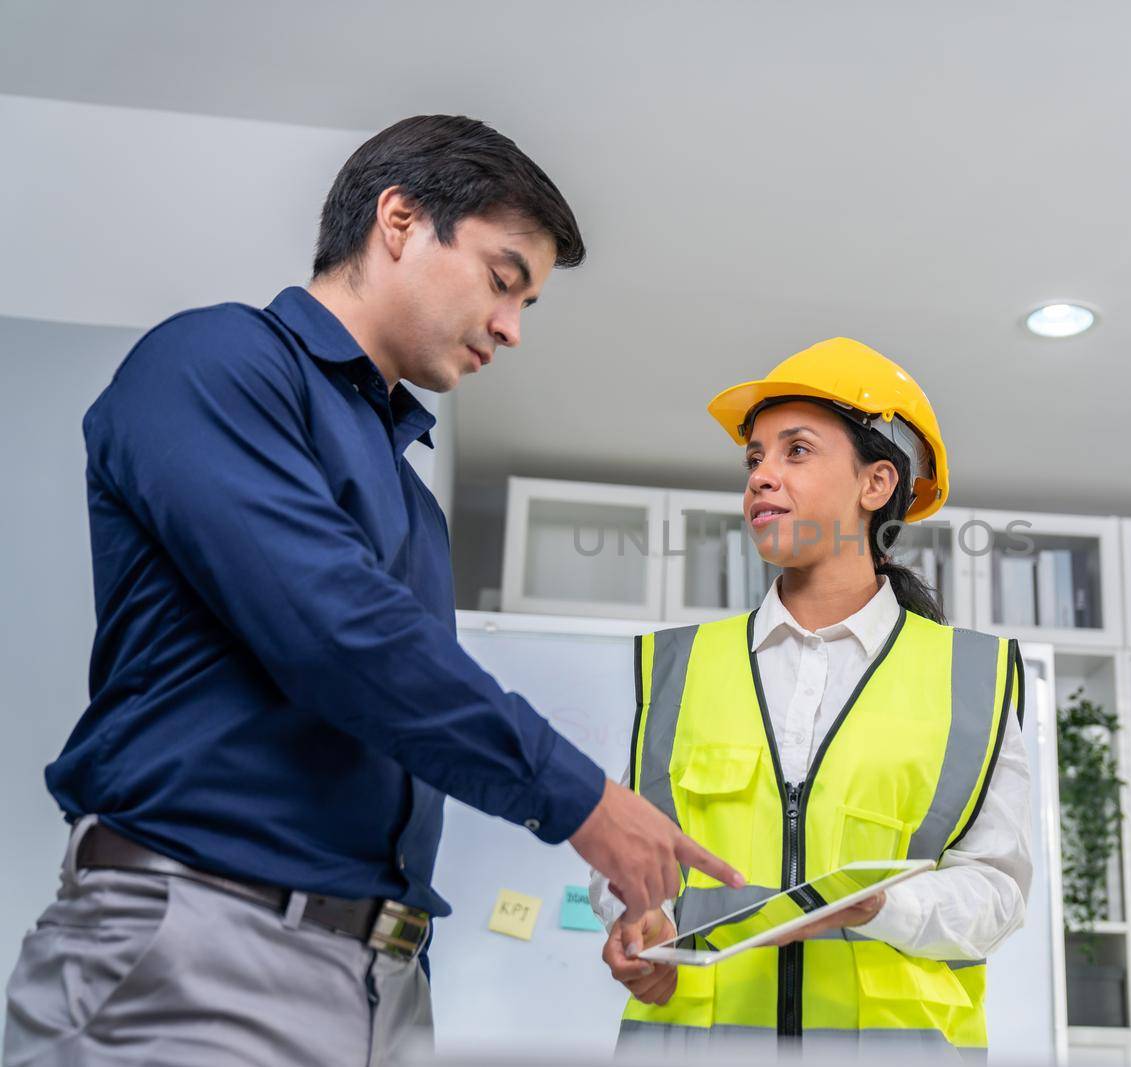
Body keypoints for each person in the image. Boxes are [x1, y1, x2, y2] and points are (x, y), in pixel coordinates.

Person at [3, 114, 739, 1067]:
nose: (512, 328)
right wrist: (584, 802)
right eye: (503, 279)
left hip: (382, 979)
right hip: (196, 950)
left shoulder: (411, 505)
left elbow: (401, 702)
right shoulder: (214, 364)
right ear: (398, 220)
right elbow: (338, 633)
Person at [588, 337, 1033, 1056]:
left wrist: (885, 906)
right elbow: (628, 860)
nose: (762, 476)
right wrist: (639, 917)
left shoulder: (971, 679)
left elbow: (999, 893)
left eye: (796, 450)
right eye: (755, 457)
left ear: (876, 483)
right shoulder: (676, 666)